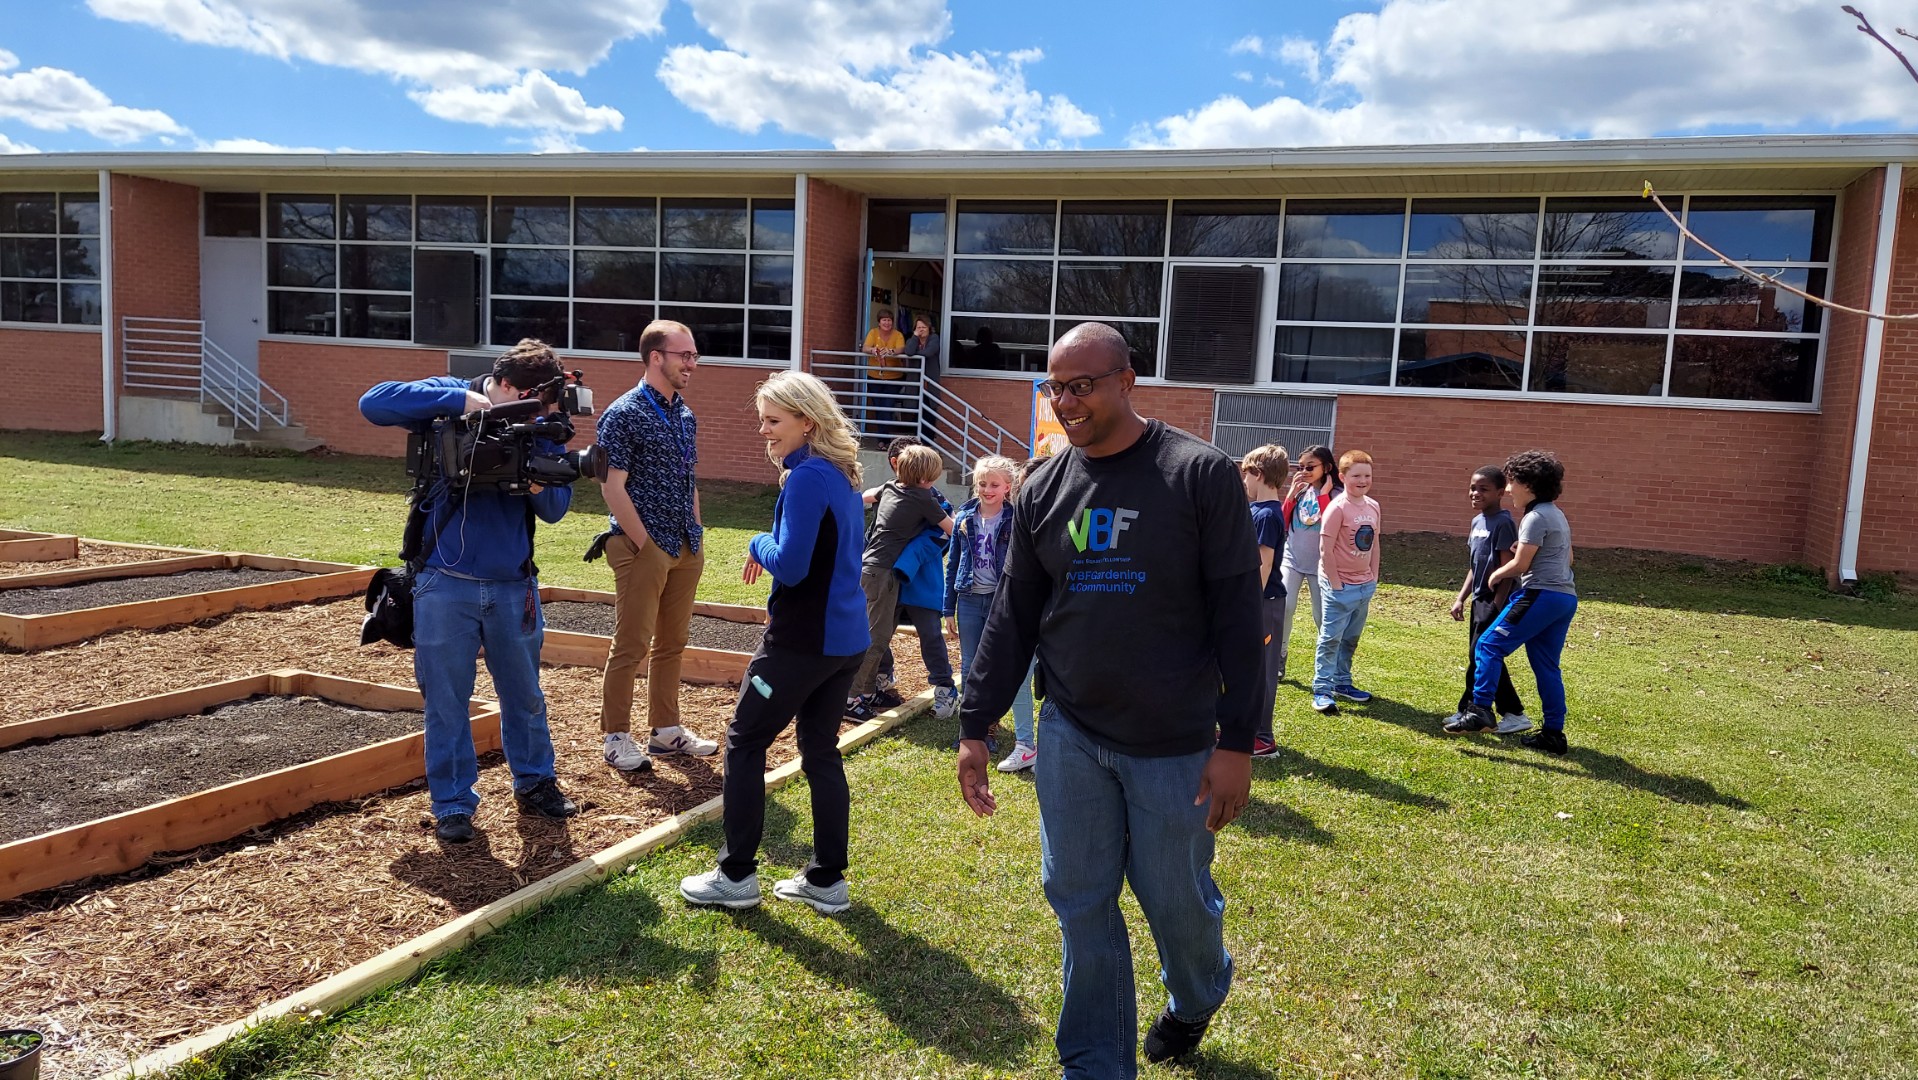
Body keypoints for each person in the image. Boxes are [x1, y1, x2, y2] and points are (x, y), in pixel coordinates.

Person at [956, 322, 1261, 1077]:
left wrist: (1236, 739)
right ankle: (1095, 1061)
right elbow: (1014, 615)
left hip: (1173, 739)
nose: (1067, 402)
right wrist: (976, 723)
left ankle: (1198, 993)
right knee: (1079, 896)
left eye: (1083, 385)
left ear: (1128, 381)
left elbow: (1237, 615)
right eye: (1056, 387)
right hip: (1071, 731)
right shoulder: (1041, 488)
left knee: (1173, 898)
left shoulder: (1198, 473)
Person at [358, 340, 578, 845]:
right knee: (446, 702)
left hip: (513, 585)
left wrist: (538, 479)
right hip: (443, 583)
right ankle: (453, 804)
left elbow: (555, 509)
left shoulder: (541, 423)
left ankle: (535, 782)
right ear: (505, 385)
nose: (535, 413)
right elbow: (373, 403)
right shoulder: (450, 396)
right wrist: (462, 402)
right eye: (527, 403)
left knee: (524, 696)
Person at [679, 371, 871, 914]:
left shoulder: (809, 477)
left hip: (801, 643)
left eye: (773, 420)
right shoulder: (840, 473)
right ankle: (827, 881)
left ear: (807, 421)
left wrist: (756, 541)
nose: (763, 431)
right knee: (819, 751)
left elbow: (790, 563)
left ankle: (736, 875)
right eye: (762, 420)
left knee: (743, 743)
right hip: (844, 640)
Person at [593, 320, 718, 773]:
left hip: (684, 544)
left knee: (672, 643)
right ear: (655, 357)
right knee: (631, 644)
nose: (692, 363)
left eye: (694, 355)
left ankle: (666, 731)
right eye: (685, 355)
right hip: (641, 546)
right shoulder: (623, 413)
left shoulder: (685, 415)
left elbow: (689, 480)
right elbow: (611, 487)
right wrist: (645, 544)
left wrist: (696, 533)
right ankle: (615, 737)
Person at [1454, 450, 1579, 754]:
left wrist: (1497, 574)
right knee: (1546, 666)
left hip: (1539, 595)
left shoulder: (1534, 517)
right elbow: (1568, 558)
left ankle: (1480, 710)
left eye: (1512, 482)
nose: (1509, 489)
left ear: (1529, 485)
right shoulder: (1555, 513)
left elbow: (1520, 566)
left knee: (1487, 645)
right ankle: (1553, 734)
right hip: (1564, 598)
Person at [845, 444, 957, 722]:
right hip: (882, 572)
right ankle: (850, 698)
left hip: (867, 566)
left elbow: (861, 498)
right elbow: (953, 529)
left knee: (874, 634)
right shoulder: (923, 497)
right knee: (876, 638)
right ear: (925, 478)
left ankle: (867, 692)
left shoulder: (890, 486)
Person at [942, 454, 1036, 771]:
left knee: (998, 665)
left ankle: (992, 728)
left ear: (1008, 487)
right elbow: (953, 563)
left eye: (994, 484)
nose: (987, 490)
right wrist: (948, 607)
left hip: (999, 600)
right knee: (970, 667)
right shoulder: (965, 517)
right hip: (969, 599)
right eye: (982, 483)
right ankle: (974, 733)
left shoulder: (1015, 518)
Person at [1442, 467, 1532, 735]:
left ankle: (1490, 711)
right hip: (1479, 599)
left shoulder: (1503, 523)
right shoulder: (1477, 522)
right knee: (1480, 654)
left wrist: (1497, 607)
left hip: (1494, 601)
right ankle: (1502, 712)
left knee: (1480, 654)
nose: (1475, 493)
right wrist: (1461, 598)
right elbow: (1476, 566)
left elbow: (1507, 571)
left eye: (1483, 489)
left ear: (1500, 492)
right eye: (1473, 488)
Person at [1310, 450, 1381, 715]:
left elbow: (1374, 544)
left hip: (1364, 585)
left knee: (1351, 638)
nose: (1362, 481)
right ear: (1342, 477)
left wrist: (1373, 577)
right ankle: (1322, 690)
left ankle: (1342, 682)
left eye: (1367, 476)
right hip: (1339, 587)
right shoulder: (1337, 508)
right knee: (1330, 639)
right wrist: (1336, 584)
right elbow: (1325, 550)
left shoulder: (1373, 506)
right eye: (1356, 476)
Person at [1240, 443, 1290, 758]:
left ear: (1258, 474)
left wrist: (1247, 604)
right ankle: (1241, 728)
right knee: (1244, 667)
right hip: (1252, 602)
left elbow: (1264, 564)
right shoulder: (1255, 511)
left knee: (1263, 671)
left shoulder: (1269, 515)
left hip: (1264, 603)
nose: (1244, 482)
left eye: (1246, 475)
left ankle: (1263, 737)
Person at [1277, 445, 1341, 683]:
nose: (1304, 472)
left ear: (1327, 467)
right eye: (1300, 467)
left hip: (1321, 565)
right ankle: (1278, 659)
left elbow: (1331, 525)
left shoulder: (1337, 495)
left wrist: (1324, 495)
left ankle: (1328, 670)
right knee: (1284, 607)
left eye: (1310, 467)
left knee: (1321, 616)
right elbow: (1282, 522)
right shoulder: (1301, 491)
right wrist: (1291, 495)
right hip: (1292, 559)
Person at [862, 311, 908, 433]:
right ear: (879, 322)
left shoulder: (898, 335)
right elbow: (865, 347)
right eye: (884, 320)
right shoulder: (873, 332)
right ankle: (883, 438)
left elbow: (901, 348)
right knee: (878, 407)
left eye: (889, 320)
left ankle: (884, 438)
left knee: (887, 406)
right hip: (874, 376)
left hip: (894, 377)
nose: (887, 323)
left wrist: (891, 351)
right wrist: (872, 350)